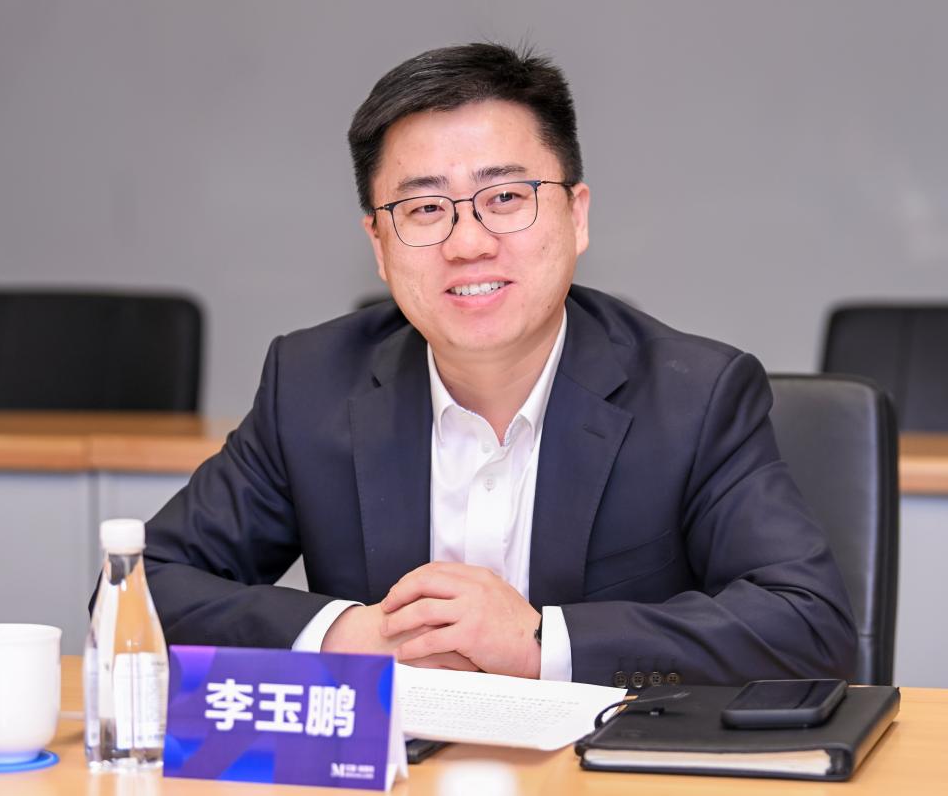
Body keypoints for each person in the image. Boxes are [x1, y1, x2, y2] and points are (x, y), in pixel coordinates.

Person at [139, 43, 857, 687]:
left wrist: (540, 644)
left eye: (506, 198)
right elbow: (142, 590)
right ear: (379, 244)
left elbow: (808, 626)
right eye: (425, 209)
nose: (468, 242)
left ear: (576, 216)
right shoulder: (311, 383)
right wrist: (348, 636)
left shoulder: (695, 396)